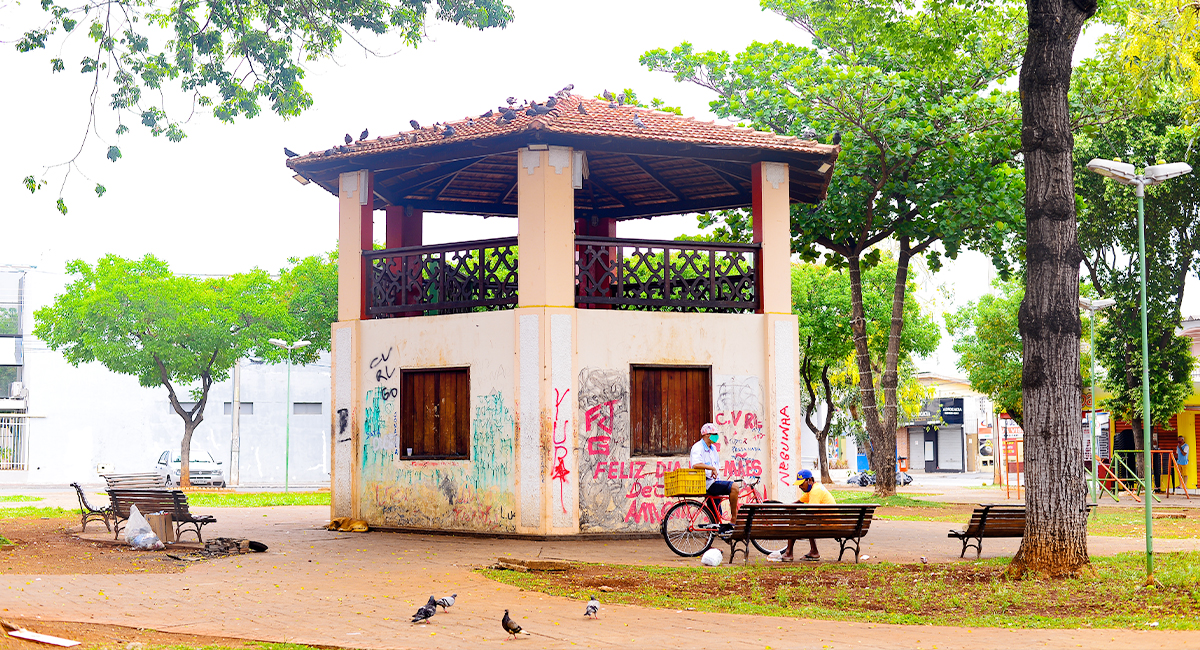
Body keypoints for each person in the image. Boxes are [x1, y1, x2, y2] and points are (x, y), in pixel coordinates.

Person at [689, 422, 737, 533]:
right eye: (714, 434)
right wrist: (711, 468)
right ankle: (734, 519)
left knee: (716, 520)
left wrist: (714, 471)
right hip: (706, 483)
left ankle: (709, 545)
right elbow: (696, 465)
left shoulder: (713, 449)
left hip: (714, 482)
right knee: (734, 487)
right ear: (707, 435)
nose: (716, 436)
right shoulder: (698, 447)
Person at [782, 469, 836, 562]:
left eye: (802, 484)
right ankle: (814, 551)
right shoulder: (815, 488)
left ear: (810, 480)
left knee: (794, 524)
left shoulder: (815, 492)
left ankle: (789, 553)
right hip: (831, 521)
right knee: (807, 522)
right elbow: (799, 502)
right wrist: (789, 507)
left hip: (828, 525)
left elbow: (810, 514)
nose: (800, 487)